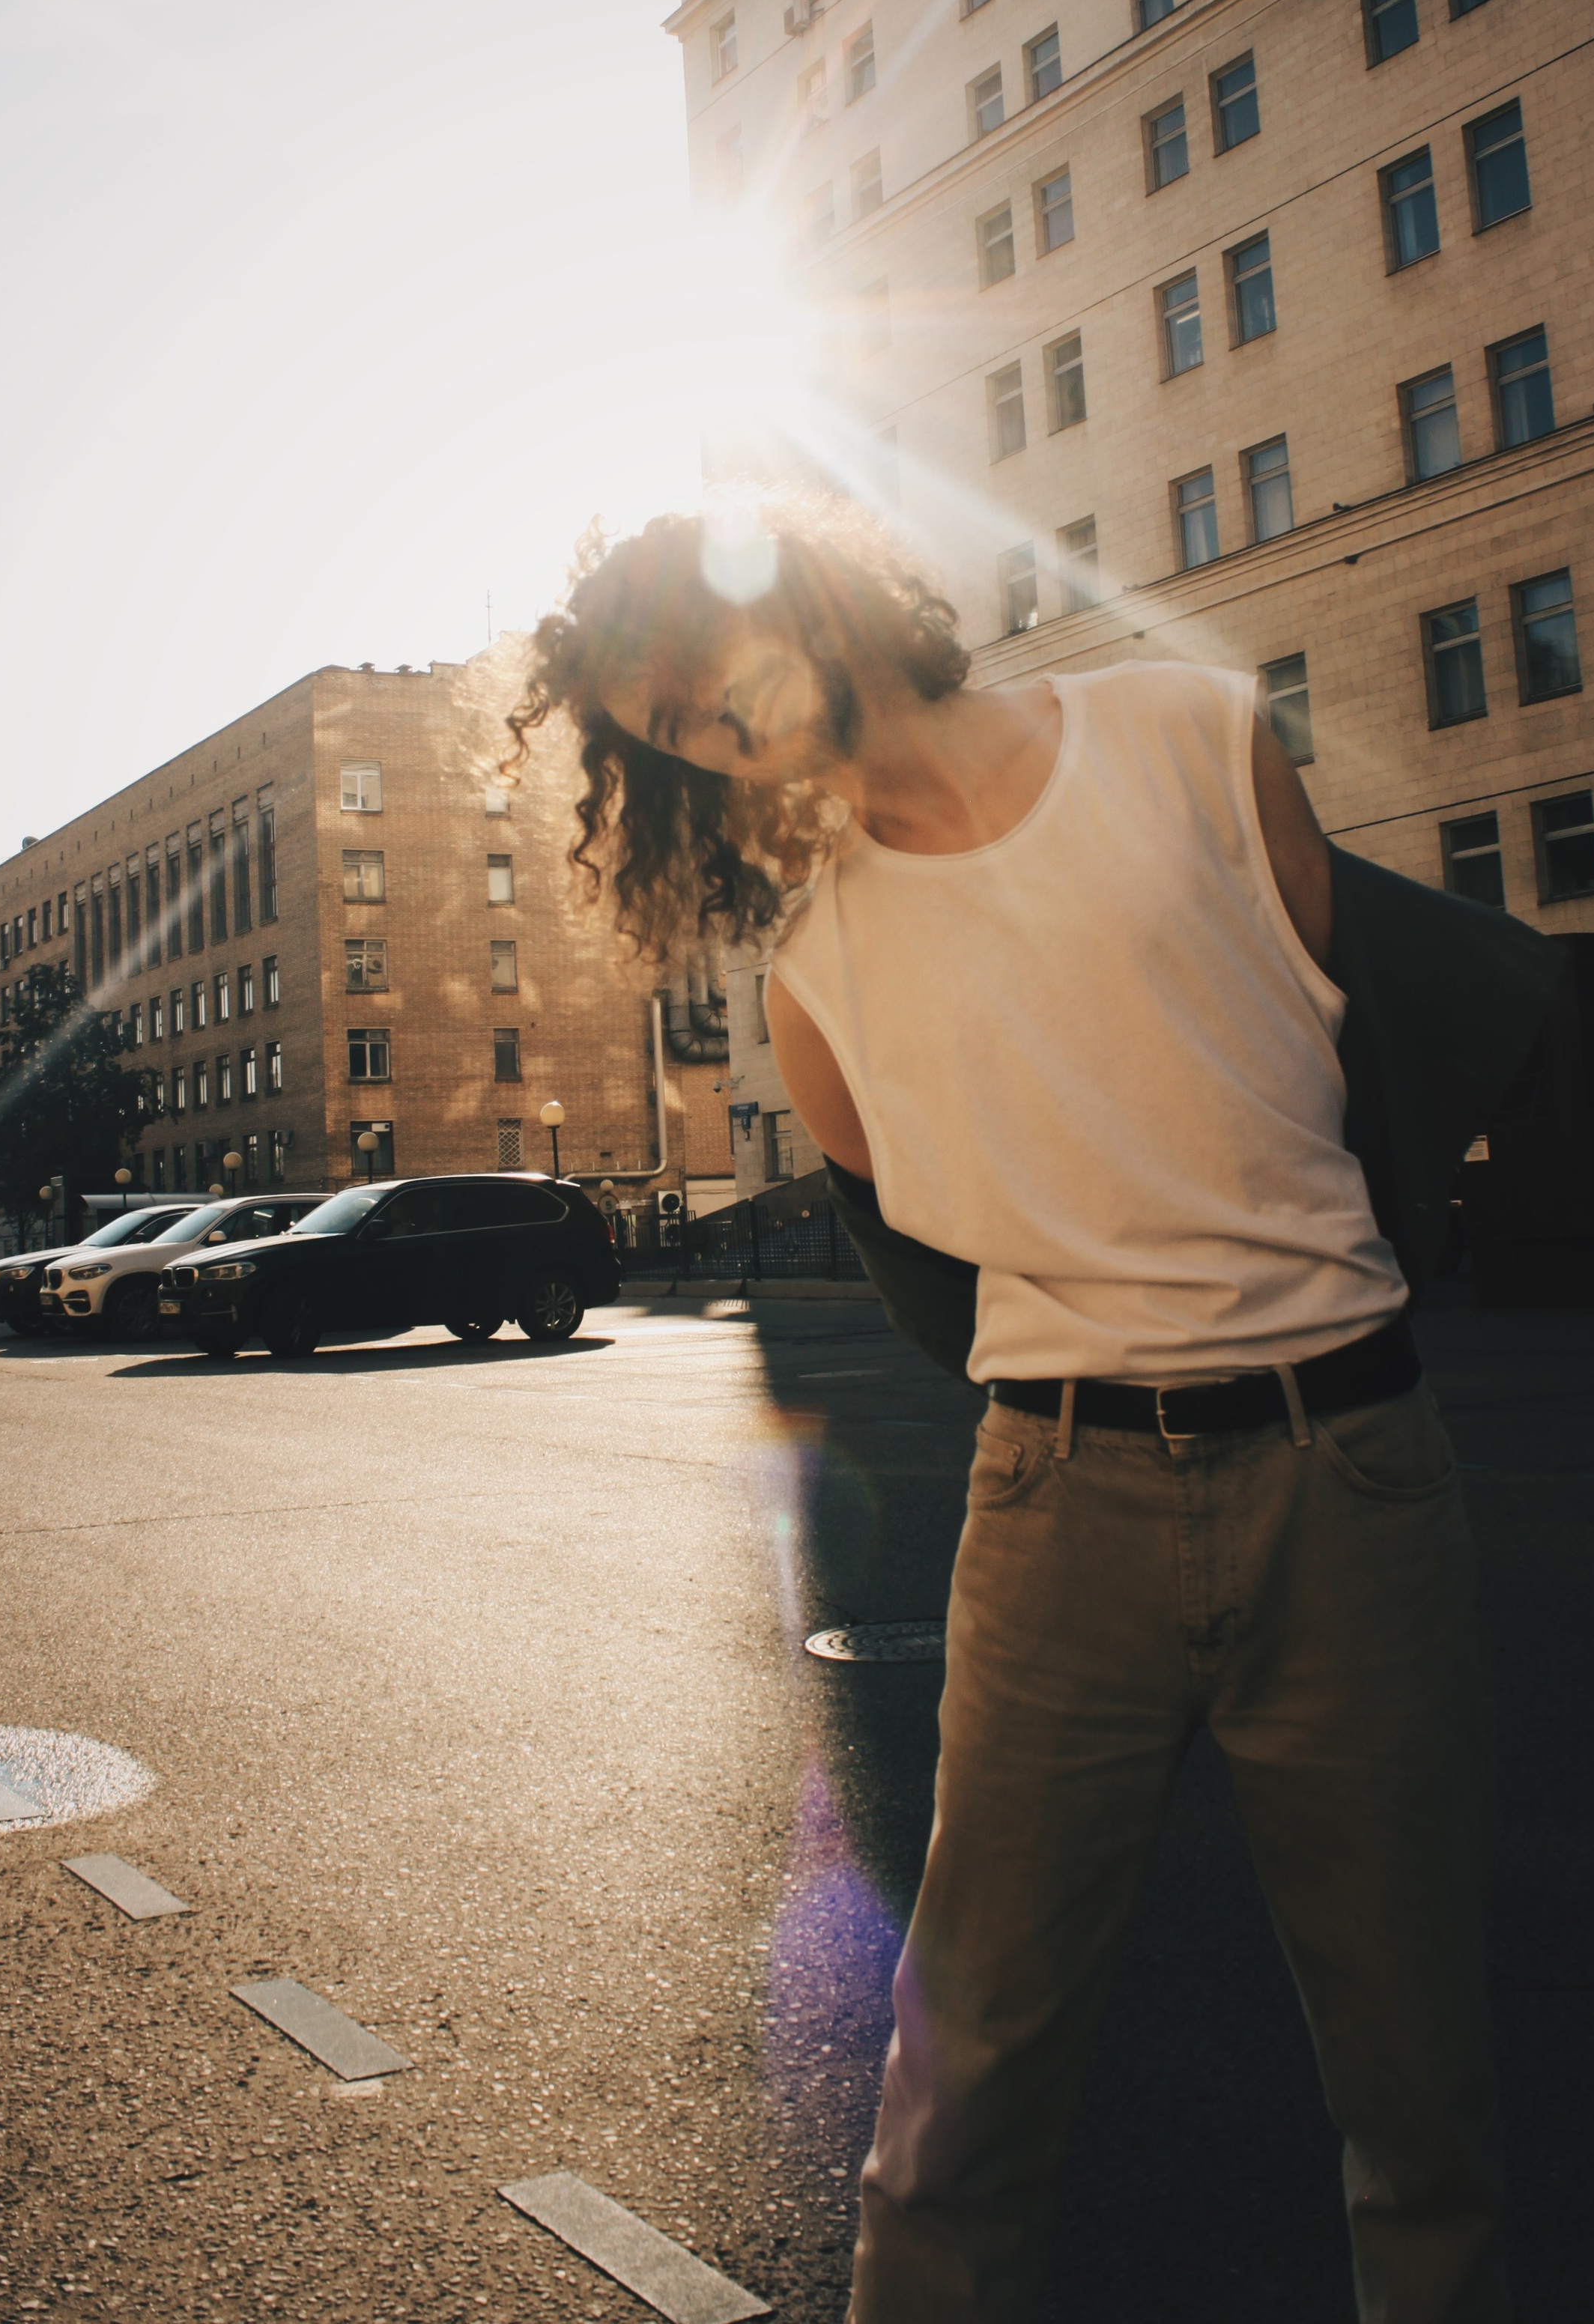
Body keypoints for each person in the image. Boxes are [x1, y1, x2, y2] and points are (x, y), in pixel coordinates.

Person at [509, 495, 1538, 2324]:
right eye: (661, 725)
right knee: (963, 2083)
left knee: (1416, 2076)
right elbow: (938, 1272)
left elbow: (1347, 1074)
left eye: (697, 668)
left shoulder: (1186, 730)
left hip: (1350, 1469)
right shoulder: (814, 977)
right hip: (1056, 1506)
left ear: (805, 592)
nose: (705, 720)